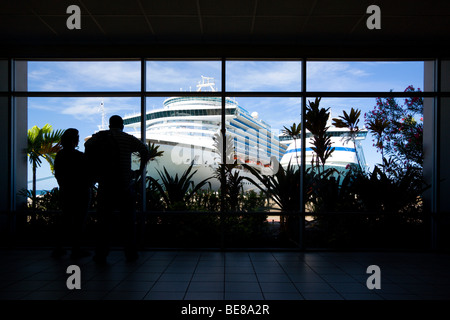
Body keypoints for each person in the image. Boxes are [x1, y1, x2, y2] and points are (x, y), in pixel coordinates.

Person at [85, 115, 150, 264]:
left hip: (105, 185)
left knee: (103, 222)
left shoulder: (101, 137)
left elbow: (87, 147)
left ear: (109, 125)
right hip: (124, 185)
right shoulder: (127, 138)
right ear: (122, 125)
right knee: (128, 221)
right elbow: (144, 150)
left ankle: (101, 253)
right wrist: (139, 171)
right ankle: (130, 252)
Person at [53, 128, 91, 259]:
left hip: (66, 191)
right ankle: (76, 249)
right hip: (81, 192)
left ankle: (59, 248)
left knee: (65, 220)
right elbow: (87, 174)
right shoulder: (80, 156)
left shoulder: (60, 156)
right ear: (75, 141)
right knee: (79, 221)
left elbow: (58, 175)